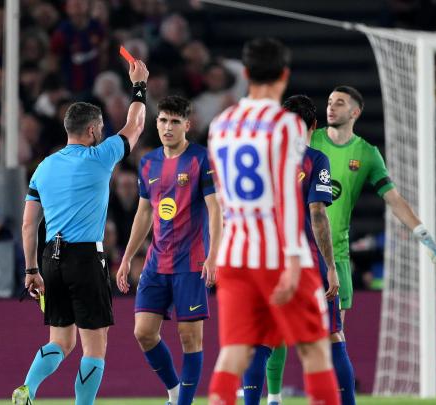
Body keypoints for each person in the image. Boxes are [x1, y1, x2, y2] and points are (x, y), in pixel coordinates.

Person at [206, 38, 340, 405]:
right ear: (284, 74)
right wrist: (295, 260)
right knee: (315, 350)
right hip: (278, 254)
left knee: (234, 352)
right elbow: (288, 199)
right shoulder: (286, 126)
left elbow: (223, 197)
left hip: (235, 255)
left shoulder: (220, 125)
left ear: (246, 73)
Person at [12, 59, 149, 405]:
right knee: (94, 347)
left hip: (50, 259)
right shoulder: (99, 157)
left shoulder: (43, 167)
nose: (101, 133)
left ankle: (27, 388)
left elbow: (28, 224)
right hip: (86, 257)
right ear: (91, 130)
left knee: (61, 341)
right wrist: (139, 86)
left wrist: (31, 269)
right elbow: (135, 125)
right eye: (100, 128)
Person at [310, 86, 436, 328]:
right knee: (278, 336)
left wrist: (425, 237)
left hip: (337, 255)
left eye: (340, 103)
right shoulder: (310, 140)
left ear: (355, 112)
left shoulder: (367, 154)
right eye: (330, 102)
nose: (331, 107)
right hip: (300, 250)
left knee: (334, 338)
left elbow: (394, 200)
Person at [115, 95, 223, 405]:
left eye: (175, 121)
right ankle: (175, 392)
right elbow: (144, 213)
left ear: (187, 125)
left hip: (191, 262)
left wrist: (213, 256)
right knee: (143, 333)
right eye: (163, 120)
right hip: (156, 263)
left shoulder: (202, 159)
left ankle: (184, 402)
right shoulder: (148, 162)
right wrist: (127, 258)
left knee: (190, 338)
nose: (168, 127)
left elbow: (215, 210)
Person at [251, 95, 355, 405]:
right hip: (306, 261)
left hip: (267, 260)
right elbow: (318, 214)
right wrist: (331, 267)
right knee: (331, 335)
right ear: (314, 125)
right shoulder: (315, 160)